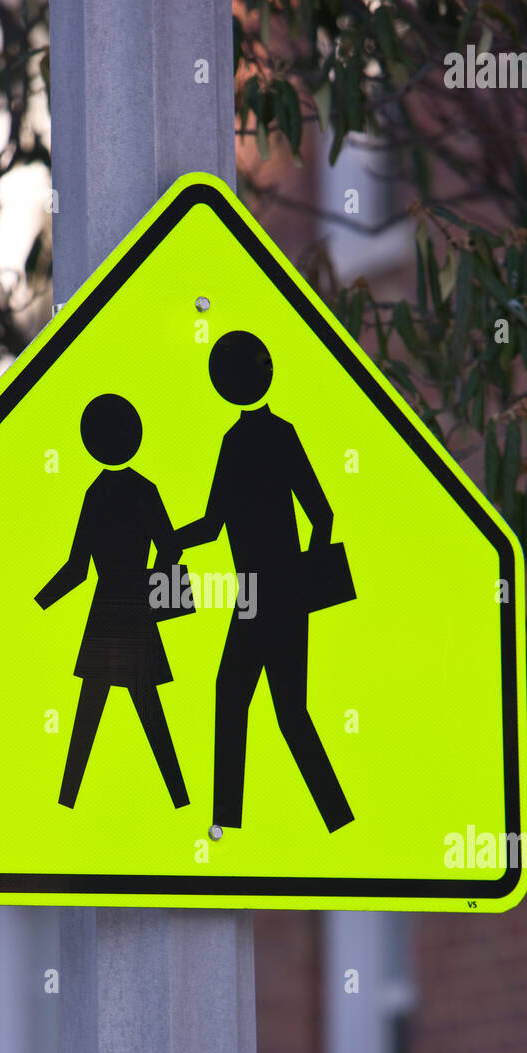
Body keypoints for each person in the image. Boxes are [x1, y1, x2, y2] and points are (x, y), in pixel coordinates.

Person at [177, 331, 353, 834]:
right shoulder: (283, 433)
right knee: (284, 711)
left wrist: (167, 539)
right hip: (279, 595)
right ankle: (333, 817)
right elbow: (322, 515)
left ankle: (228, 825)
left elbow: (212, 525)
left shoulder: (237, 443)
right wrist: (306, 576)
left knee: (237, 700)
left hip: (258, 595)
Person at [34, 393, 188, 809]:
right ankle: (179, 800)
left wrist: (39, 604)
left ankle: (68, 802)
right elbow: (171, 548)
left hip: (109, 612)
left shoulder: (96, 493)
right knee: (143, 708)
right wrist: (153, 588)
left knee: (94, 711)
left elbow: (77, 569)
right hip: (135, 609)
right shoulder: (143, 489)